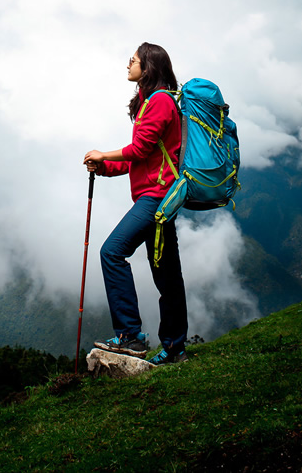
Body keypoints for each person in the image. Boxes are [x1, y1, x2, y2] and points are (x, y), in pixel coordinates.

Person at [83, 42, 189, 366]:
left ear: (149, 66)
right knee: (167, 274)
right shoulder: (149, 103)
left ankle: (131, 335)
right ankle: (174, 348)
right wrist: (106, 167)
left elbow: (139, 149)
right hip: (160, 195)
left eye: (133, 60)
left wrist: (104, 153)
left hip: (156, 198)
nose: (127, 65)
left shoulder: (159, 103)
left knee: (112, 252)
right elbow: (140, 159)